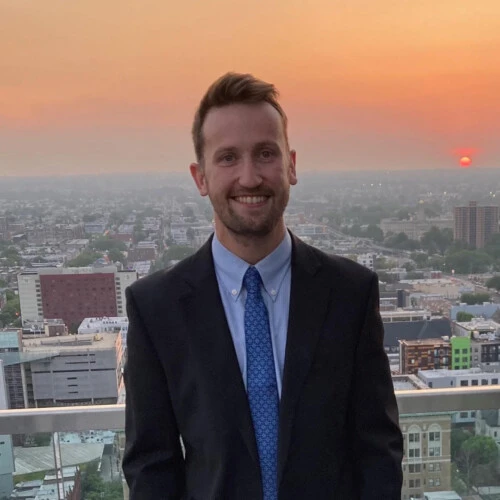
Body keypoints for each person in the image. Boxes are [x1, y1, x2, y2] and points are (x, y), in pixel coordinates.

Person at [122, 72, 403, 499]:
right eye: (228, 157)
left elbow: (377, 450)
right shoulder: (157, 308)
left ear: (291, 165)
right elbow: (151, 464)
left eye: (265, 154)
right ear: (201, 177)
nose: (250, 177)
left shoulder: (350, 293)